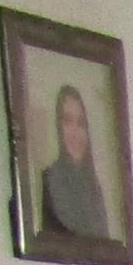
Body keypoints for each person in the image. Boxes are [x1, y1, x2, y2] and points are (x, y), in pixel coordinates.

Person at [38, 82, 112, 243]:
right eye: (67, 121)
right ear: (59, 127)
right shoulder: (49, 180)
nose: (75, 133)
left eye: (80, 123)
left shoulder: (94, 188)